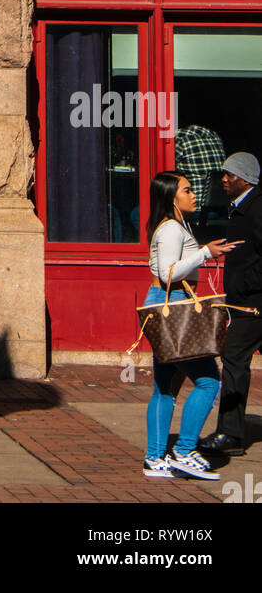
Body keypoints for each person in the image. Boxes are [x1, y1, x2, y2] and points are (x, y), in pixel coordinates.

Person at [142, 170, 239, 479]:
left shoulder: (174, 224)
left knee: (165, 387)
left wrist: (202, 253)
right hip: (173, 306)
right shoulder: (170, 228)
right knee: (209, 381)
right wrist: (204, 253)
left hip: (165, 304)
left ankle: (155, 458)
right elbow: (169, 274)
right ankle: (184, 451)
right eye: (186, 190)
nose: (194, 194)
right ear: (172, 197)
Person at [199, 152, 262, 458]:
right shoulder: (241, 207)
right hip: (244, 302)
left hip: (253, 305)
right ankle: (230, 431)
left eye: (230, 175)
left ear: (245, 179)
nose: (223, 179)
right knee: (235, 362)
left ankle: (230, 434)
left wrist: (247, 286)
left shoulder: (256, 208)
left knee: (234, 362)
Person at [175, 124, 225, 233]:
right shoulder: (214, 136)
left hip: (194, 209)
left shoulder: (180, 139)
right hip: (220, 209)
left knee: (137, 213)